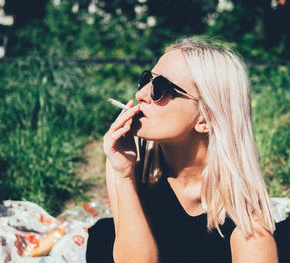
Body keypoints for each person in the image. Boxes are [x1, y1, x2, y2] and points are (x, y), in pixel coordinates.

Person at [86, 37, 279, 263]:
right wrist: (123, 176)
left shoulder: (249, 231)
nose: (141, 94)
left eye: (161, 88)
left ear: (206, 119)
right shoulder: (129, 160)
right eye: (147, 79)